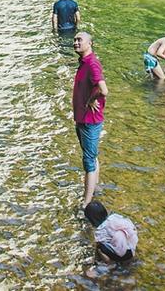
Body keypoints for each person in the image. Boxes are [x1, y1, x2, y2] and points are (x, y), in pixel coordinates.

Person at [72, 32, 108, 206]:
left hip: (90, 120)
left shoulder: (92, 63)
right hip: (83, 119)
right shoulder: (84, 62)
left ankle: (86, 203)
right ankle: (95, 188)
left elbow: (104, 89)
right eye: (75, 40)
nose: (76, 42)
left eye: (80, 40)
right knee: (92, 157)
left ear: (90, 43)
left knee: (88, 160)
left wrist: (91, 100)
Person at [83, 199, 137, 278]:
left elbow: (99, 242)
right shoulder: (115, 217)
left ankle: (108, 263)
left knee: (99, 247)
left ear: (92, 221)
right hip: (131, 250)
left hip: (121, 256)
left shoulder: (100, 230)